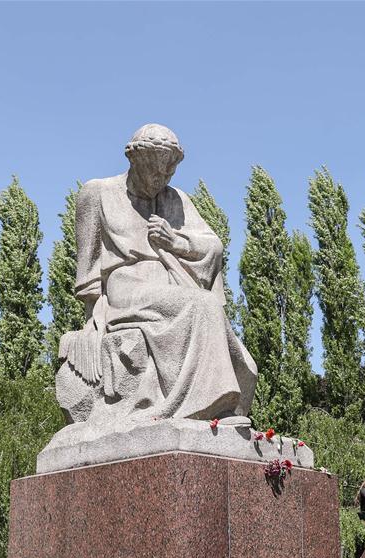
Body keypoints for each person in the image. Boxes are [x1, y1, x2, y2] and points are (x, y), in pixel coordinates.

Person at [56, 123, 257, 425]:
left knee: (202, 304)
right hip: (125, 286)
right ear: (134, 160)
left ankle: (213, 402)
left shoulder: (176, 199)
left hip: (170, 284)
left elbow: (213, 245)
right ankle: (213, 406)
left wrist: (176, 241)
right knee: (202, 305)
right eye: (155, 172)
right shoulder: (97, 193)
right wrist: (93, 316)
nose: (160, 179)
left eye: (168, 173)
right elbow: (88, 266)